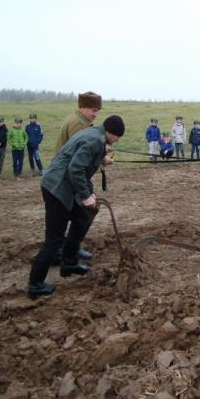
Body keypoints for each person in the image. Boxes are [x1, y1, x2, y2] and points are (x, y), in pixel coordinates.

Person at [26, 115, 125, 299]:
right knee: (54, 239)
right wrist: (86, 195)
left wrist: (100, 161)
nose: (117, 141)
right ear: (112, 133)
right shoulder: (95, 140)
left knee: (83, 217)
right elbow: (76, 169)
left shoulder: (95, 134)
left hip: (64, 184)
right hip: (57, 188)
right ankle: (35, 284)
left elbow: (83, 160)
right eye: (117, 137)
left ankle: (69, 262)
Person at [55, 91, 103, 260]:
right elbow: (80, 154)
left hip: (68, 174)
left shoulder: (79, 121)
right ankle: (70, 248)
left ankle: (67, 247)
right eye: (94, 110)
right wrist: (102, 157)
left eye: (97, 110)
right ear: (83, 107)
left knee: (71, 213)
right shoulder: (78, 124)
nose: (96, 115)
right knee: (85, 210)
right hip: (68, 176)